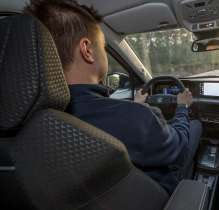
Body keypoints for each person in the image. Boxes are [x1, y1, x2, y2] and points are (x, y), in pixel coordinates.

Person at [24, 0, 202, 194]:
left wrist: (135, 106)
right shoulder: (136, 118)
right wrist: (183, 108)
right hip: (158, 197)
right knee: (194, 127)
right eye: (103, 46)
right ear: (87, 50)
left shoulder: (28, 121)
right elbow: (180, 149)